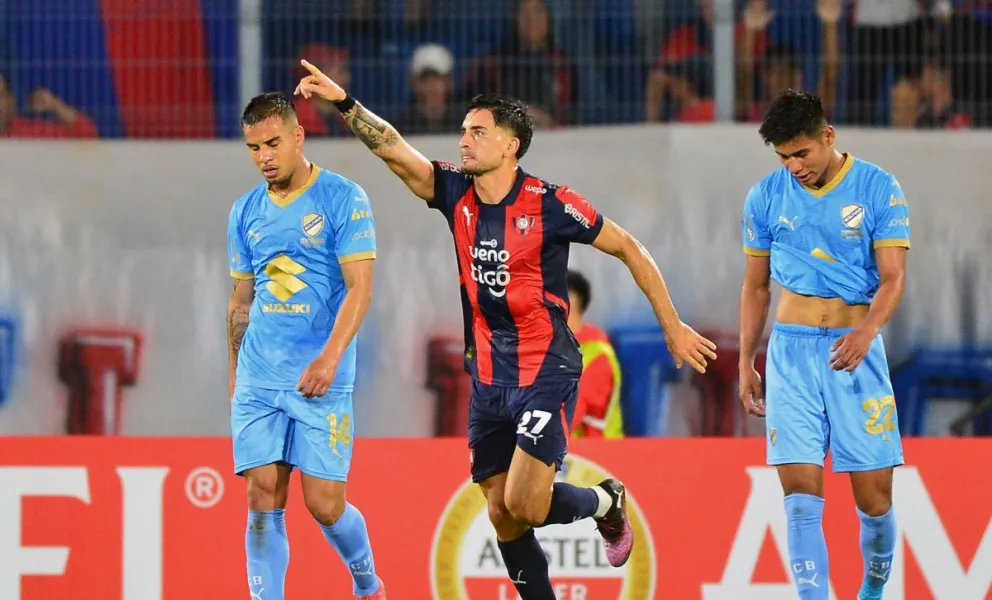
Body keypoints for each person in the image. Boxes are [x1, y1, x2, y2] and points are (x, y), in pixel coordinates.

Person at [294, 59, 717, 599]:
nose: (465, 141)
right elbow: (394, 149)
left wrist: (673, 325)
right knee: (501, 516)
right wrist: (346, 103)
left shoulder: (552, 203)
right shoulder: (454, 193)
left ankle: (606, 501)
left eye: (478, 132)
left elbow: (630, 248)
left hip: (547, 368)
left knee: (527, 505)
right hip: (489, 378)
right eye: (464, 131)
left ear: (511, 145)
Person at [738, 90, 910, 600]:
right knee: (800, 500)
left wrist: (866, 332)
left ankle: (872, 593)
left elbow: (894, 277)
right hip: (790, 355)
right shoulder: (765, 196)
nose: (793, 166)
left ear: (827, 137)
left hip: (853, 352)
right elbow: (756, 286)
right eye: (783, 157)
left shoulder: (879, 188)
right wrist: (748, 359)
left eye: (801, 153)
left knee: (875, 501)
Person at [226, 92, 385, 600]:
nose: (265, 157)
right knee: (261, 496)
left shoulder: (344, 198)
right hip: (260, 376)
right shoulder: (244, 212)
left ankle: (367, 583)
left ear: (298, 136)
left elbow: (360, 288)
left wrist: (329, 358)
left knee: (324, 505)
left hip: (321, 376)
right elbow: (240, 300)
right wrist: (235, 377)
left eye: (273, 143)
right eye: (254, 148)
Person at [566, 269, 624, 439]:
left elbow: (567, 418)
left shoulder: (598, 357)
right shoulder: (547, 349)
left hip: (598, 458)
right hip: (564, 456)